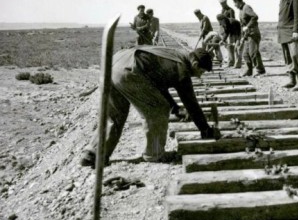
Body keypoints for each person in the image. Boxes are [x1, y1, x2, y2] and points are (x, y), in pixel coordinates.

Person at [80, 46, 220, 168]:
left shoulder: (177, 55)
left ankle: (93, 152)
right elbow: (191, 104)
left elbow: (158, 84)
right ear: (195, 63)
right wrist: (205, 129)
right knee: (157, 110)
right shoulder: (182, 69)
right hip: (130, 69)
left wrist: (175, 108)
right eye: (201, 72)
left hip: (114, 63)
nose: (200, 76)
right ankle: (155, 154)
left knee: (114, 115)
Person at [231, 0, 265, 77]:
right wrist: (242, 36)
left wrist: (248, 26)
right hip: (247, 35)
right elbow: (243, 25)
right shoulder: (241, 10)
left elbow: (255, 16)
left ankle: (260, 70)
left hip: (253, 34)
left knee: (253, 52)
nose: (234, 5)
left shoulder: (246, 7)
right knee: (245, 54)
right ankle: (249, 70)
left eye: (234, 3)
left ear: (238, 2)